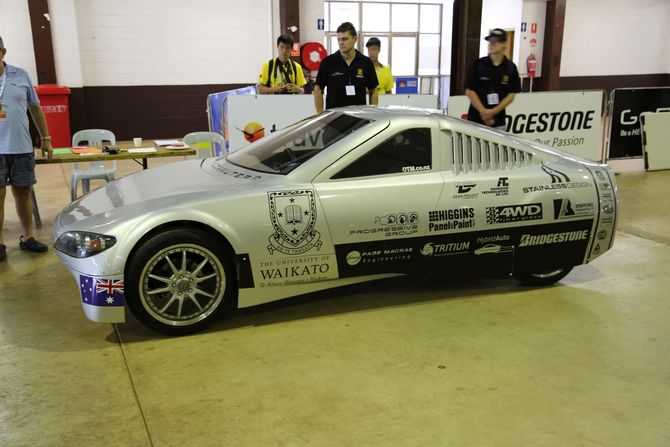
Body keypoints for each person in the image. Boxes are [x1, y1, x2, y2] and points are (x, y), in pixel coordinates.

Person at [0, 36, 52, 262]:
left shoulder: (20, 75)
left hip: (20, 146)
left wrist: (46, 138)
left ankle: (28, 237)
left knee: (23, 193)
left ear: (3, 52)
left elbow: (35, 108)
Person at [313, 22, 379, 113]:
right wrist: (320, 114)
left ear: (355, 38)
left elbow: (373, 89)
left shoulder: (366, 62)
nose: (341, 43)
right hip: (334, 116)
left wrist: (372, 112)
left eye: (344, 39)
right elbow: (318, 89)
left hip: (359, 116)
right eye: (339, 39)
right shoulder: (328, 62)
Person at [464, 28, 521, 129]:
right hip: (475, 121)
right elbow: (469, 91)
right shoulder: (478, 64)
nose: (491, 44)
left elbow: (511, 94)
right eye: (490, 41)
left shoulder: (510, 68)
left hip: (498, 122)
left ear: (504, 44)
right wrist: (484, 113)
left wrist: (493, 112)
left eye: (495, 41)